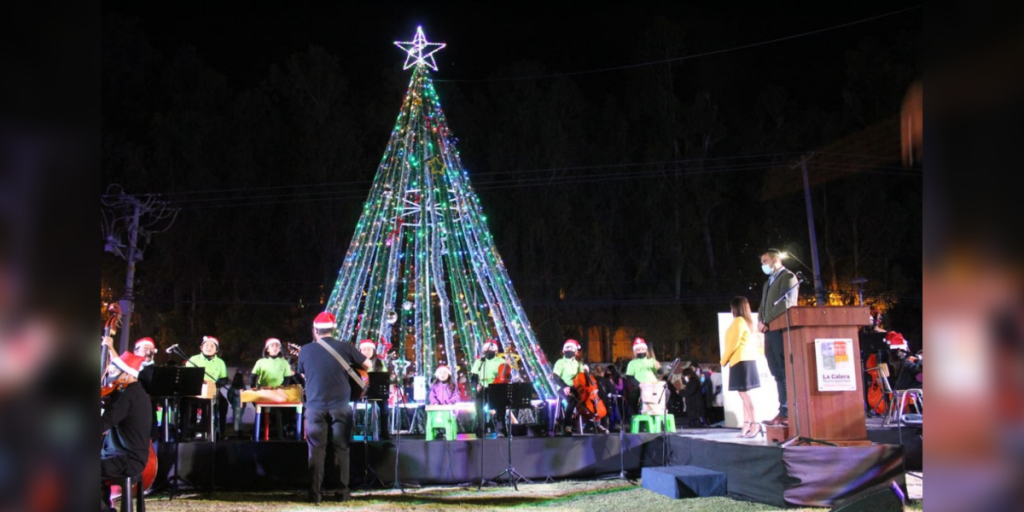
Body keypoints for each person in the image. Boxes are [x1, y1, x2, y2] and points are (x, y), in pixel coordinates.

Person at [297, 312, 371, 504]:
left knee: (316, 450)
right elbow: (368, 364)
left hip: (314, 407)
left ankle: (315, 494)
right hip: (341, 406)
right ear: (333, 330)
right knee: (342, 449)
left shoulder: (305, 350)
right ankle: (342, 493)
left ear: (315, 330)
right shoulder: (345, 347)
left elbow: (302, 374)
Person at [100, 336, 152, 512]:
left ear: (129, 374)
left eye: (117, 371)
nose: (113, 375)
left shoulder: (127, 396)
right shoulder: (136, 393)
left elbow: (104, 423)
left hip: (126, 459)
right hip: (124, 456)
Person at [757, 248, 799, 427]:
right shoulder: (768, 283)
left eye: (765, 261)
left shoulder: (787, 277)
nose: (763, 265)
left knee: (784, 372)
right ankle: (783, 410)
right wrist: (760, 319)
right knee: (776, 373)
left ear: (775, 260)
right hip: (769, 331)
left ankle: (790, 412)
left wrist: (766, 320)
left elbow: (786, 303)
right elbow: (762, 305)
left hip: (781, 330)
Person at [720, 296, 763, 438]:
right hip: (741, 360)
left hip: (742, 361)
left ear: (736, 308)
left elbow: (733, 343)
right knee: (743, 394)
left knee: (745, 394)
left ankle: (755, 423)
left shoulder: (739, 321)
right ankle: (747, 424)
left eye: (732, 307)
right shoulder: (744, 321)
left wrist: (723, 360)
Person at [251, 337, 298, 439]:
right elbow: (253, 376)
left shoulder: (284, 362)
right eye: (272, 346)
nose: (275, 347)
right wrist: (253, 389)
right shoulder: (261, 362)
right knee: (262, 415)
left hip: (278, 393)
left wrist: (282, 388)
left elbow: (287, 378)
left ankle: (280, 436)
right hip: (263, 392)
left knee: (278, 414)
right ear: (267, 349)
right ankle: (257, 437)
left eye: (277, 346)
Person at [184, 336, 229, 439]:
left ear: (216, 349)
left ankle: (221, 432)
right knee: (186, 404)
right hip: (195, 389)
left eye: (212, 346)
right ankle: (187, 431)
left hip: (212, 389)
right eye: (206, 345)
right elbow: (187, 375)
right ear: (201, 347)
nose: (209, 347)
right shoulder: (193, 359)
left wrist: (214, 386)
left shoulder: (220, 362)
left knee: (223, 404)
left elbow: (224, 379)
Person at [357, 338, 392, 440]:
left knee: (385, 408)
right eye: (364, 350)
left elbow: (385, 378)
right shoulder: (357, 362)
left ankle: (384, 431)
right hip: (360, 392)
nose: (367, 352)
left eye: (369, 349)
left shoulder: (379, 363)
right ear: (360, 351)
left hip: (376, 393)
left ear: (373, 351)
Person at [470, 339, 506, 437]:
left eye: (490, 348)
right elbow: (473, 378)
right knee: (479, 405)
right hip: (482, 387)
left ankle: (500, 429)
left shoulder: (501, 361)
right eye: (486, 348)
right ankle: (481, 429)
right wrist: (476, 385)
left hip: (496, 387)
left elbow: (505, 376)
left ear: (496, 350)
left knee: (500, 406)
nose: (488, 350)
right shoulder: (479, 361)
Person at [551, 339, 584, 435]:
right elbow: (555, 378)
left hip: (576, 388)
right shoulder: (560, 362)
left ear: (575, 351)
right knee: (571, 400)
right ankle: (567, 425)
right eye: (567, 347)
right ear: (563, 350)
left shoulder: (578, 363)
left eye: (571, 348)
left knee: (589, 399)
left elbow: (582, 378)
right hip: (562, 387)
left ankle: (596, 423)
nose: (569, 349)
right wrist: (564, 387)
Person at [626, 337, 662, 418]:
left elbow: (660, 372)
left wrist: (659, 367)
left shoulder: (652, 361)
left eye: (642, 349)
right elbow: (629, 376)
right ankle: (635, 416)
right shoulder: (632, 363)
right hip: (640, 386)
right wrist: (639, 384)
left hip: (653, 386)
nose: (640, 351)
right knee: (632, 398)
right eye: (638, 349)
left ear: (646, 350)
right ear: (635, 351)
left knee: (666, 392)